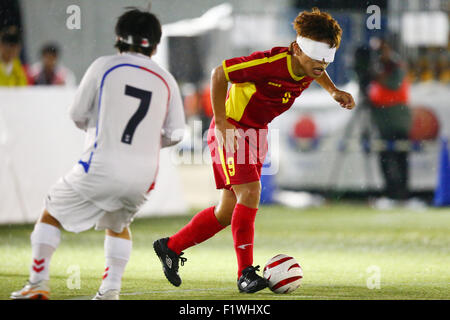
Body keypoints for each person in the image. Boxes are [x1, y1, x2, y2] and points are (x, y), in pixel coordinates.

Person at [153, 7, 355, 294]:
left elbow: (316, 73)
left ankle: (169, 247)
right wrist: (221, 122)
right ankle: (245, 273)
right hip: (232, 129)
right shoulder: (269, 63)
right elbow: (219, 73)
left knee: (226, 212)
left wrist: (333, 90)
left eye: (327, 59)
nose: (322, 64)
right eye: (317, 57)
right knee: (250, 192)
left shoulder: (310, 66)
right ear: (297, 48)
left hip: (257, 133)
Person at [10, 8, 185, 300]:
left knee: (51, 211)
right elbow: (176, 134)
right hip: (143, 177)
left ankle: (38, 283)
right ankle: (110, 291)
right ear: (155, 44)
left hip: (102, 164)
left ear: (119, 38)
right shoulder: (167, 79)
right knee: (119, 225)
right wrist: (144, 141)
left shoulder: (104, 66)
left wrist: (104, 129)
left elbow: (77, 114)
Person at [367, 39, 412, 208]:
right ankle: (390, 192)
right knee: (384, 156)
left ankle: (403, 193)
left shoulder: (396, 66)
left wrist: (376, 76)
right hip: (382, 121)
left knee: (400, 156)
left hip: (398, 120)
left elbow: (394, 84)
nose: (380, 54)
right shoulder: (378, 66)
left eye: (382, 50)